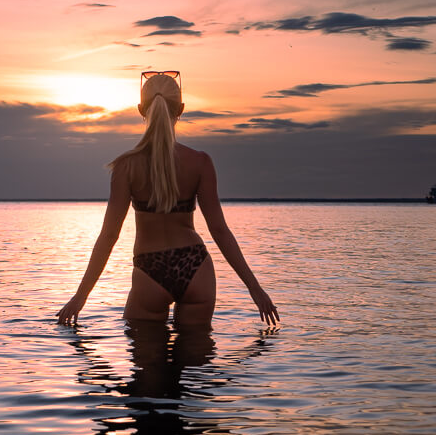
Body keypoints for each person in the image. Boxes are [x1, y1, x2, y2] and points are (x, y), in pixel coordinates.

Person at [57, 71, 279, 327]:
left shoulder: (126, 166)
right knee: (197, 364)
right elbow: (219, 231)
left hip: (149, 271)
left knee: (146, 363)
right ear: (181, 109)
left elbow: (109, 236)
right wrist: (255, 289)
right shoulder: (200, 162)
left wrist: (80, 296)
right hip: (195, 265)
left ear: (141, 109)